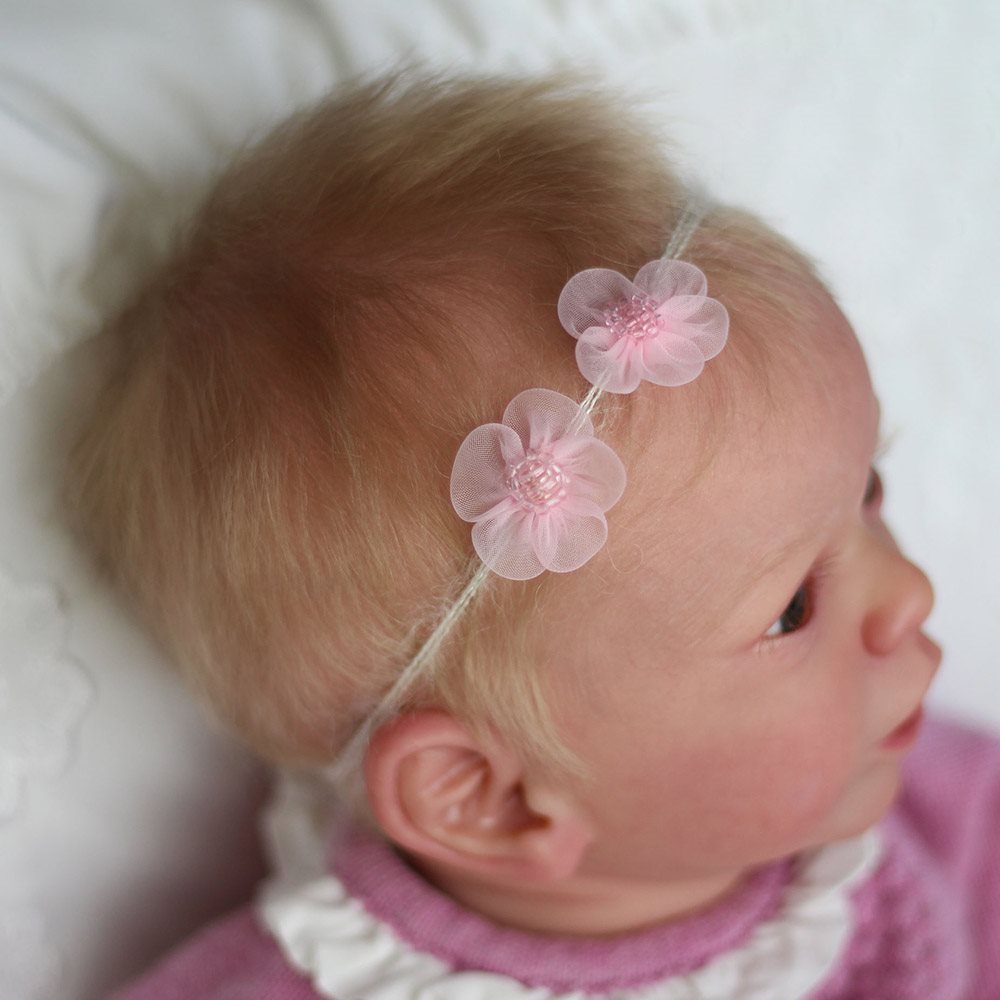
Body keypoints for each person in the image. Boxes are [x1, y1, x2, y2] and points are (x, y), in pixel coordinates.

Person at [68, 73, 1000, 999]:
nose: (908, 590)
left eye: (868, 490)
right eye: (792, 607)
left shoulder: (952, 815)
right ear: (490, 799)